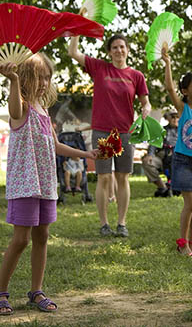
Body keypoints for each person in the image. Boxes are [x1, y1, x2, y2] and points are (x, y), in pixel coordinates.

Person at [0, 55, 97, 316]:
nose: (43, 81)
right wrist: (13, 80)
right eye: (38, 76)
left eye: (47, 76)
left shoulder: (44, 110)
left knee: (42, 237)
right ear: (25, 77)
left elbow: (55, 145)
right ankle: (0, 293)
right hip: (25, 183)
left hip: (46, 182)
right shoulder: (22, 105)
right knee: (21, 240)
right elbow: (14, 112)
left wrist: (88, 155)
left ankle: (36, 290)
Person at [68, 34, 151, 238]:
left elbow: (145, 101)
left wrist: (146, 109)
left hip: (125, 132)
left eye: (122, 46)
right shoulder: (100, 68)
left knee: (122, 177)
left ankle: (122, 223)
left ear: (128, 50)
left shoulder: (136, 76)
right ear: (109, 51)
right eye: (114, 47)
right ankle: (104, 223)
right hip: (104, 132)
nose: (118, 50)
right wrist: (77, 32)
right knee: (104, 177)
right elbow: (73, 52)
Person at [161, 46, 192, 256]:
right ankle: (183, 244)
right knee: (191, 203)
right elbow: (170, 88)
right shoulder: (183, 108)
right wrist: (168, 64)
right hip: (184, 161)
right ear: (186, 91)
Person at [141, 111, 178, 197]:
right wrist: (150, 154)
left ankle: (177, 188)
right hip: (162, 156)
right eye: (172, 117)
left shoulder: (184, 131)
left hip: (179, 158)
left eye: (177, 117)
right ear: (167, 118)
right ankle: (162, 187)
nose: (175, 119)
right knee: (147, 162)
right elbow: (153, 144)